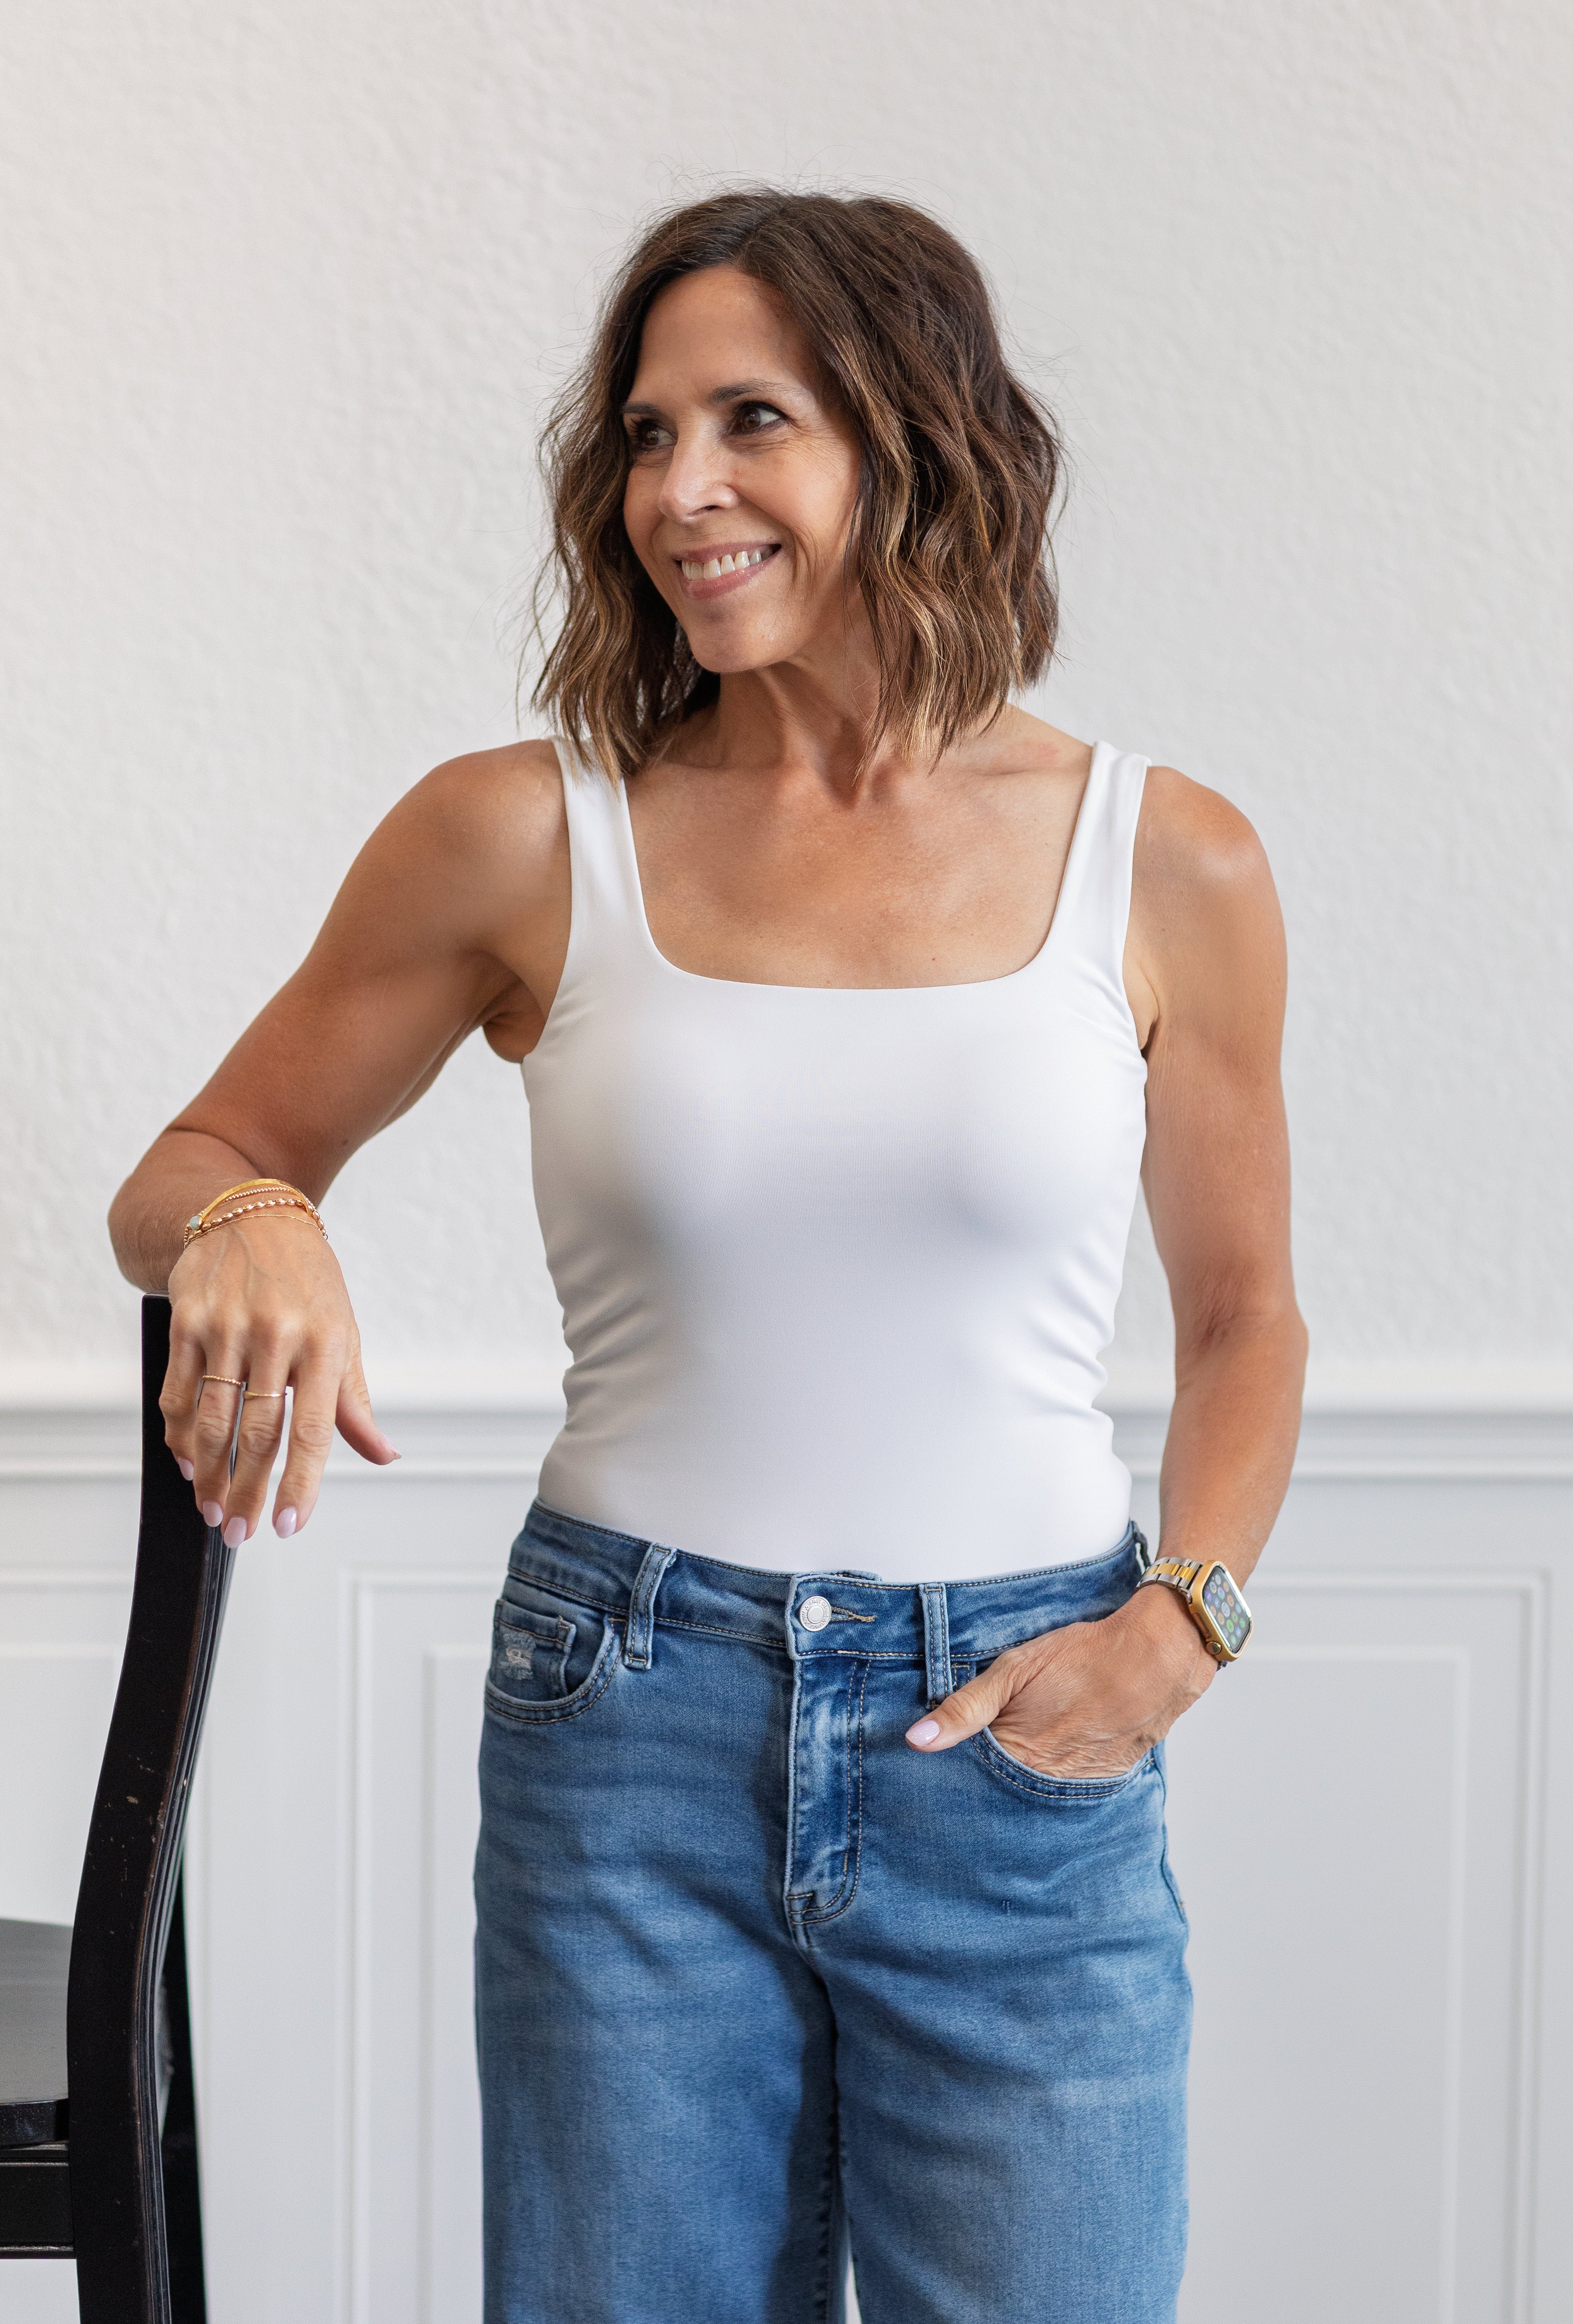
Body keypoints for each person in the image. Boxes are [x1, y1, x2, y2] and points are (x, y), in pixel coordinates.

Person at [111, 188, 1306, 2324]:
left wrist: (1181, 1628)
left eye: (754, 420)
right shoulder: (520, 831)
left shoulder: (1166, 857)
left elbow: (1245, 1320)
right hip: (631, 1724)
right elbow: (195, 1158)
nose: (681, 491)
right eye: (648, 435)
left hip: (1021, 1725)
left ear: (916, 440)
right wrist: (251, 1212)